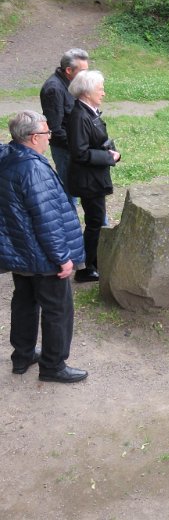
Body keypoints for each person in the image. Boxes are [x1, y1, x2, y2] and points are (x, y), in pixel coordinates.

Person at [0, 111, 88, 383]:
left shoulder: (7, 157)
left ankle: (23, 355)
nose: (51, 138)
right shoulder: (34, 169)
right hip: (40, 256)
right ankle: (53, 365)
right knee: (57, 309)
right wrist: (62, 259)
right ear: (34, 137)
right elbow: (46, 220)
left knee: (24, 302)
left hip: (18, 251)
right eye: (48, 134)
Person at [66, 70, 121, 283]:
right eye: (100, 89)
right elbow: (79, 152)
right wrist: (108, 156)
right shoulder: (80, 115)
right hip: (89, 180)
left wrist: (110, 152)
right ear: (87, 92)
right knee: (95, 222)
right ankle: (86, 267)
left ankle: (93, 262)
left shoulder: (89, 111)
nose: (104, 93)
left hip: (93, 177)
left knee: (95, 221)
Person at [39, 48, 90, 204]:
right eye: (83, 71)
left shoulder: (72, 83)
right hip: (65, 149)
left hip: (76, 146)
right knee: (69, 193)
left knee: (85, 187)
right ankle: (69, 226)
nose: (86, 75)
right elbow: (55, 129)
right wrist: (77, 146)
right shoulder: (54, 89)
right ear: (69, 70)